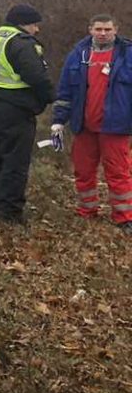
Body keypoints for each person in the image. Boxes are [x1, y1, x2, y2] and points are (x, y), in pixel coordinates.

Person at [0, 4, 55, 224]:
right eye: (34, 25)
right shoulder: (21, 43)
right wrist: (51, 97)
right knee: (14, 161)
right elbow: (36, 76)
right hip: (16, 109)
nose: (36, 30)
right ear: (23, 23)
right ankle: (10, 214)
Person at [51, 14, 132, 232]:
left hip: (116, 127)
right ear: (90, 30)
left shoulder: (128, 54)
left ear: (116, 29)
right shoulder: (78, 55)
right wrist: (59, 120)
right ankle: (87, 211)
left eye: (107, 29)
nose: (103, 33)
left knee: (119, 172)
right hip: (84, 126)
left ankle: (124, 217)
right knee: (83, 171)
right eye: (98, 29)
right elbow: (65, 90)